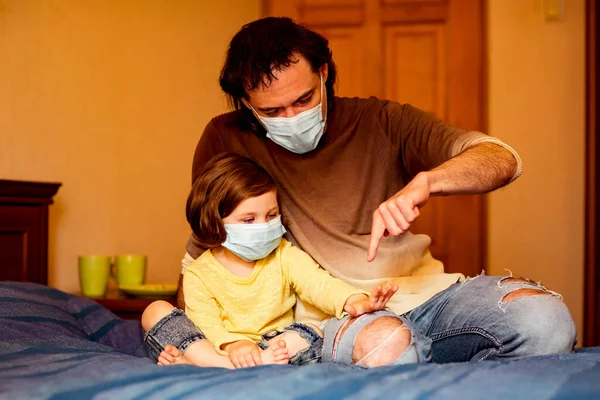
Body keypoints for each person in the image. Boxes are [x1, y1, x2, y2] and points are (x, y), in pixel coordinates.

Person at [165, 16, 575, 367]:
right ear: (245, 104)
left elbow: (500, 159)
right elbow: (205, 251)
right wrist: (197, 345)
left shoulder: (382, 120)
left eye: (304, 99)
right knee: (387, 348)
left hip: (429, 295)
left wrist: (427, 181)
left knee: (547, 322)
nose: (291, 117)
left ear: (324, 73)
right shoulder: (225, 137)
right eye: (272, 111)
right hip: (340, 314)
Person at [142, 153, 399, 368]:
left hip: (273, 346)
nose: (264, 226)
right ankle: (215, 362)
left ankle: (197, 363)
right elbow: (206, 323)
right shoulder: (200, 272)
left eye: (271, 215)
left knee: (314, 332)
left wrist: (353, 301)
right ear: (214, 221)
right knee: (154, 311)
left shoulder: (284, 255)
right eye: (248, 219)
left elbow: (318, 283)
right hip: (216, 347)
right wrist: (233, 345)